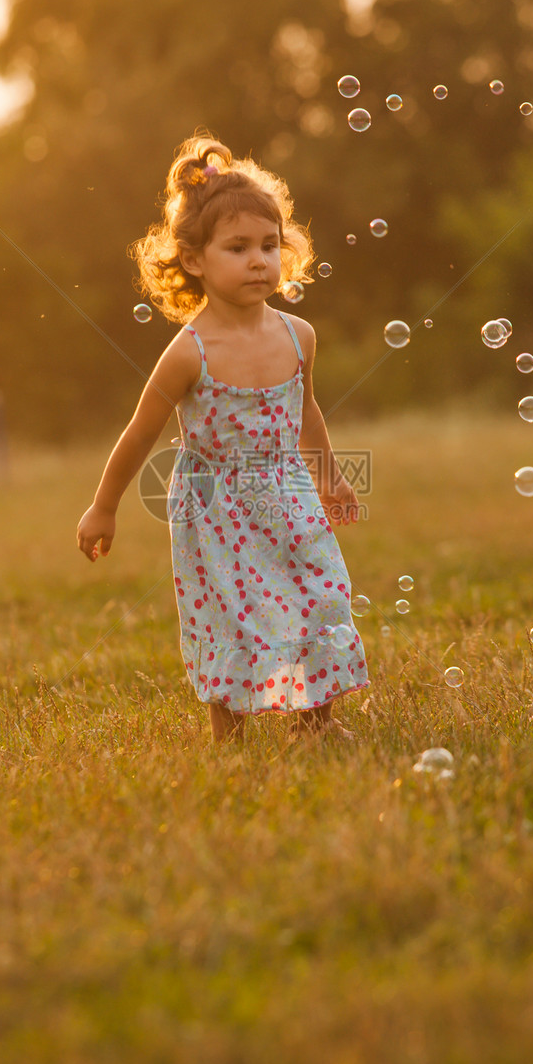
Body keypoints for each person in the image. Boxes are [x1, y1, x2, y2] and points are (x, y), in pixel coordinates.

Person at [76, 134, 368, 742]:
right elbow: (139, 432)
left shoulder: (299, 336)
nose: (259, 260)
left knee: (314, 595)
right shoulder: (189, 353)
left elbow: (305, 409)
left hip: (287, 494)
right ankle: (227, 735)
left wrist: (331, 478)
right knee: (230, 616)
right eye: (237, 248)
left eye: (269, 245)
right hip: (217, 509)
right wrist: (104, 505)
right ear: (194, 259)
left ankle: (316, 722)